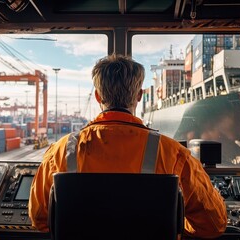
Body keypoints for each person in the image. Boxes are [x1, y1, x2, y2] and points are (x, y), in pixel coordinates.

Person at [28, 54, 227, 239]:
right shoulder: (174, 154)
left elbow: (39, 219)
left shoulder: (60, 152)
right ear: (139, 95)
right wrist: (172, 222)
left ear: (97, 96)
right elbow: (213, 225)